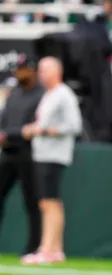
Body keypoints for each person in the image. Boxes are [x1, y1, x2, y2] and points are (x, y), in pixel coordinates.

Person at [21, 56, 83, 265]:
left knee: (49, 203)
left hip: (53, 156)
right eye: (39, 70)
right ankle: (55, 249)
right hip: (42, 154)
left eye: (44, 70)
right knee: (48, 202)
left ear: (57, 71)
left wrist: (42, 130)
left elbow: (74, 126)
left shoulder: (64, 94)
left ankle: (47, 249)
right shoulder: (49, 95)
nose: (40, 74)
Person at [0, 54, 44, 262]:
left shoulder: (42, 95)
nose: (19, 72)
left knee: (32, 203)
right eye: (17, 69)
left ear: (32, 70)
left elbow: (34, 126)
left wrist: (8, 134)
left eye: (23, 68)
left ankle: (33, 247)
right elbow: (4, 118)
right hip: (8, 153)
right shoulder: (14, 94)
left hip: (30, 155)